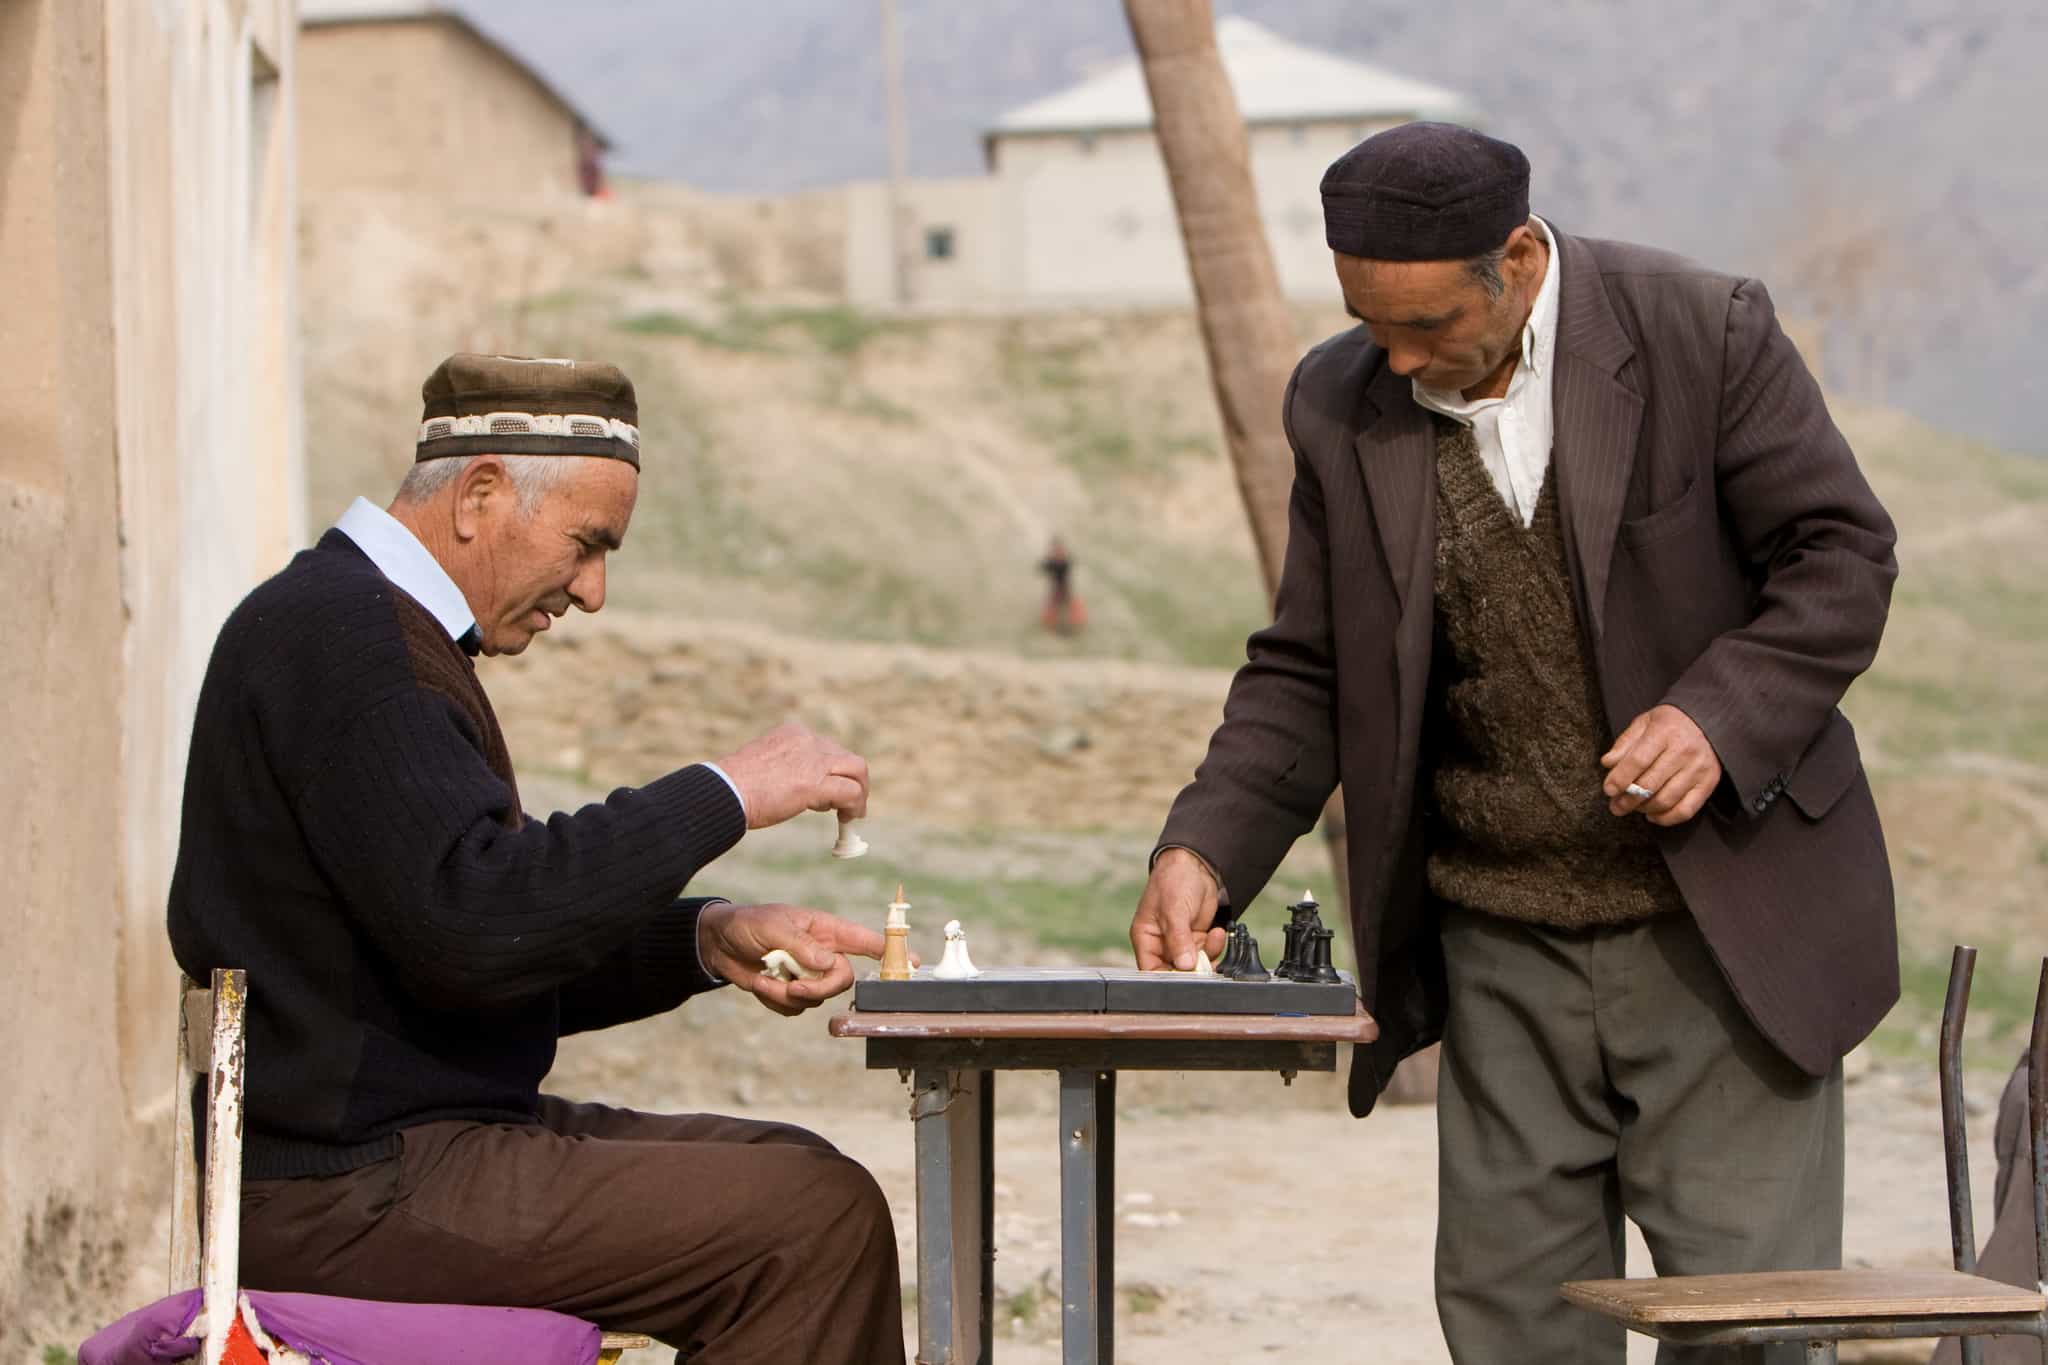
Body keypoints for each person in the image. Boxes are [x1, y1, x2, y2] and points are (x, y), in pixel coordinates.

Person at [1129, 122, 1899, 1364]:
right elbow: (1311, 663)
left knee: (1746, 1324)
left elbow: (1839, 558)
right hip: (1498, 941)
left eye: (1428, 328)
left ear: (1521, 258)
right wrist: (1205, 848)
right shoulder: (1341, 399)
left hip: (1715, 926)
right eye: (1372, 324)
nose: (1396, 356)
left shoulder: (1702, 331)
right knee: (1509, 1325)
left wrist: (1715, 714)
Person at [167, 353, 905, 1365]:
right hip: (346, 1188)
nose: (593, 591)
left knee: (805, 1180)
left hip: (397, 1156)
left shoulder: (363, 628)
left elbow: (471, 926)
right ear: (479, 496)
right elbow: (476, 923)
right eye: (586, 544)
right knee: (806, 1224)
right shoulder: (347, 641)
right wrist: (724, 792)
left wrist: (703, 938)